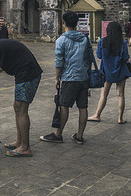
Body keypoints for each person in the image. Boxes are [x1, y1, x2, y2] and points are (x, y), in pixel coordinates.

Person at [0, 36, 42, 157]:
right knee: (17, 107)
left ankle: (25, 147)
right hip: (25, 74)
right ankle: (20, 141)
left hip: (28, 76)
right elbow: (0, 67)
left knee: (21, 110)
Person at [40, 10, 95, 145]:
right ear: (76, 23)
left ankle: (58, 134)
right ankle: (79, 136)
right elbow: (89, 59)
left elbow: (59, 62)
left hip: (69, 78)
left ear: (63, 23)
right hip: (83, 78)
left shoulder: (61, 40)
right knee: (83, 107)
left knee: (63, 105)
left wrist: (57, 78)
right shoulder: (85, 39)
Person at [88, 21, 131, 124]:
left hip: (106, 72)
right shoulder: (123, 43)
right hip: (120, 70)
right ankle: (120, 118)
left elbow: (99, 56)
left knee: (104, 94)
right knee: (120, 95)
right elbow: (125, 57)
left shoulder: (102, 42)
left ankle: (97, 115)